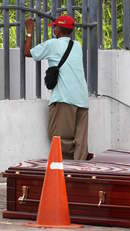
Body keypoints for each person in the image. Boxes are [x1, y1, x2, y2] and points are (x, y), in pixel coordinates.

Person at [24, 15, 89, 160]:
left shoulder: (53, 44)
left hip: (64, 98)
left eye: (54, 27)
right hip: (82, 99)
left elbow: (28, 53)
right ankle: (80, 172)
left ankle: (64, 174)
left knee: (59, 138)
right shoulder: (77, 46)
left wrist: (29, 31)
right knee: (81, 143)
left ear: (58, 30)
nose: (53, 29)